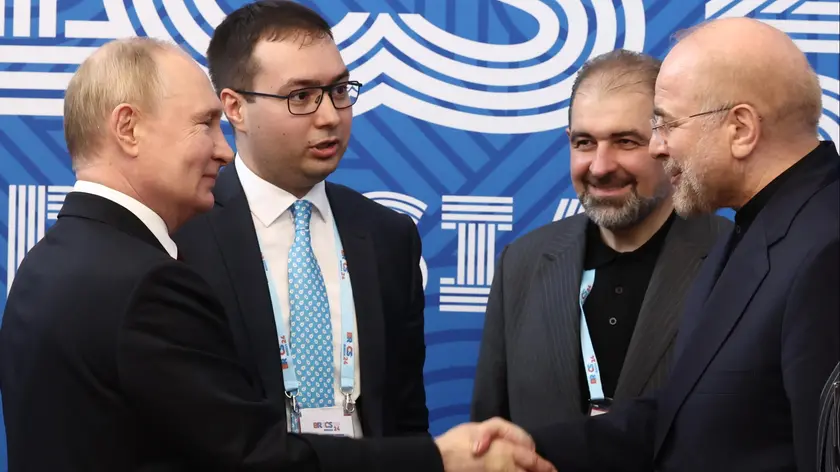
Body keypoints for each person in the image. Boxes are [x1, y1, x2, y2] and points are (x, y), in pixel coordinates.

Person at [0, 36, 556, 472]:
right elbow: (251, 456)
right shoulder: (148, 282)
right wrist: (439, 459)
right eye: (204, 125)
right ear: (128, 128)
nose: (222, 150)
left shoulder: (49, 261)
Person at [481, 17, 839, 472]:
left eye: (666, 124)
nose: (656, 147)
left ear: (741, 129)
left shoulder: (826, 250)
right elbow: (682, 416)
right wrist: (531, 448)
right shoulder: (757, 231)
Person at [172, 0, 428, 440]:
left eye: (339, 90)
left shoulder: (388, 236)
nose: (330, 117)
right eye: (301, 97)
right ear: (235, 107)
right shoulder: (183, 235)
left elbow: (405, 418)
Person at [471, 49, 731, 428]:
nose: (600, 166)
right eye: (584, 142)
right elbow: (489, 434)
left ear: (666, 143)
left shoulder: (735, 259)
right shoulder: (522, 262)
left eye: (625, 141)